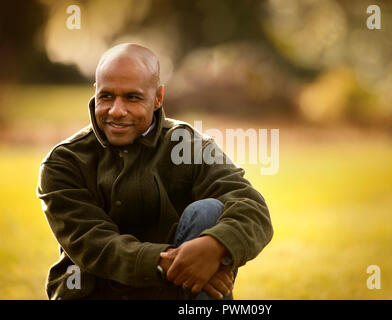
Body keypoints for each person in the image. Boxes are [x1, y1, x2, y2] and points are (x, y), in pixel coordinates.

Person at [36, 43, 273, 300]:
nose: (116, 110)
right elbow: (95, 245)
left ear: (158, 98)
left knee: (209, 213)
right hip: (95, 293)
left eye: (132, 97)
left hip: (171, 295)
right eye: (106, 96)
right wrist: (182, 265)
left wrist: (215, 246)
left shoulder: (189, 146)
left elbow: (252, 208)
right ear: (95, 92)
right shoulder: (63, 161)